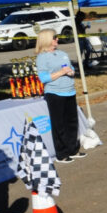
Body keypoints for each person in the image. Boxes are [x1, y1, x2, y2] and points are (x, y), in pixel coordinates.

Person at [35, 29, 85, 163]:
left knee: (72, 123)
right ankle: (62, 153)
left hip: (70, 90)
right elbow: (43, 77)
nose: (57, 39)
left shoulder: (62, 53)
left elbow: (71, 68)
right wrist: (61, 72)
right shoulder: (42, 57)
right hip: (55, 93)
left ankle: (73, 149)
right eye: (54, 37)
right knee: (59, 125)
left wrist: (70, 72)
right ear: (47, 40)